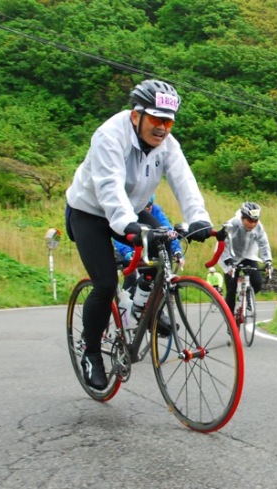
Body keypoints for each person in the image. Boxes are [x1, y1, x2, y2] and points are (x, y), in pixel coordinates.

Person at [65, 79, 213, 391]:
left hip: (130, 210)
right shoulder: (109, 135)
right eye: (157, 119)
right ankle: (91, 352)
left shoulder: (168, 144)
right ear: (136, 116)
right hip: (90, 212)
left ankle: (141, 306)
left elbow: (183, 179)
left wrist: (199, 218)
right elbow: (109, 186)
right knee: (105, 284)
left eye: (169, 121)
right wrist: (129, 228)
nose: (163, 128)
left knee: (162, 252)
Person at [113, 194, 185, 292]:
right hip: (127, 248)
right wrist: (127, 253)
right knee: (131, 275)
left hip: (146, 247)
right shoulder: (131, 212)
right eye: (144, 207)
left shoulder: (156, 211)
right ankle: (126, 298)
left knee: (153, 274)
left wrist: (177, 250)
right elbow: (120, 234)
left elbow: (169, 232)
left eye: (149, 206)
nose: (147, 209)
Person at [220, 202, 273, 313]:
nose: (253, 224)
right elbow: (223, 243)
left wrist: (267, 261)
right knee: (231, 289)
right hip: (230, 257)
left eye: (255, 221)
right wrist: (228, 261)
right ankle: (230, 322)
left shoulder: (259, 227)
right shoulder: (232, 224)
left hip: (248, 256)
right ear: (242, 218)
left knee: (257, 282)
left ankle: (248, 295)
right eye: (250, 221)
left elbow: (263, 244)